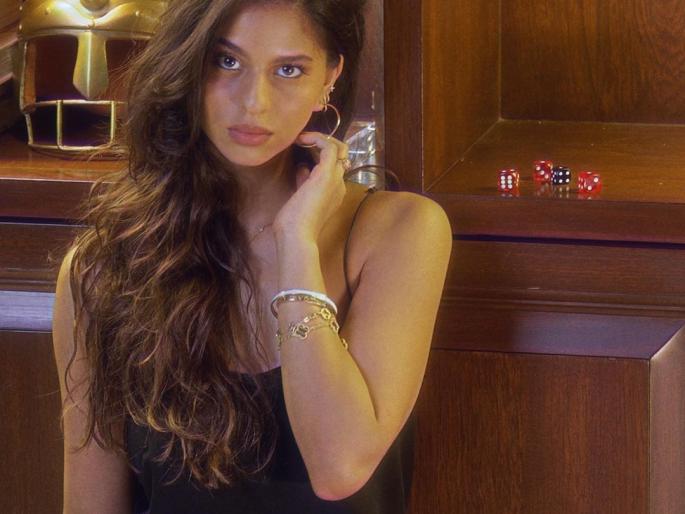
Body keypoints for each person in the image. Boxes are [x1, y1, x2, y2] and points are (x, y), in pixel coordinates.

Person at [51, 0, 453, 512]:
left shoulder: (400, 232)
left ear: (330, 77)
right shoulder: (103, 268)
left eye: (288, 70)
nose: (254, 102)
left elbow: (339, 467)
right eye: (227, 61)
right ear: (188, 64)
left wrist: (296, 242)